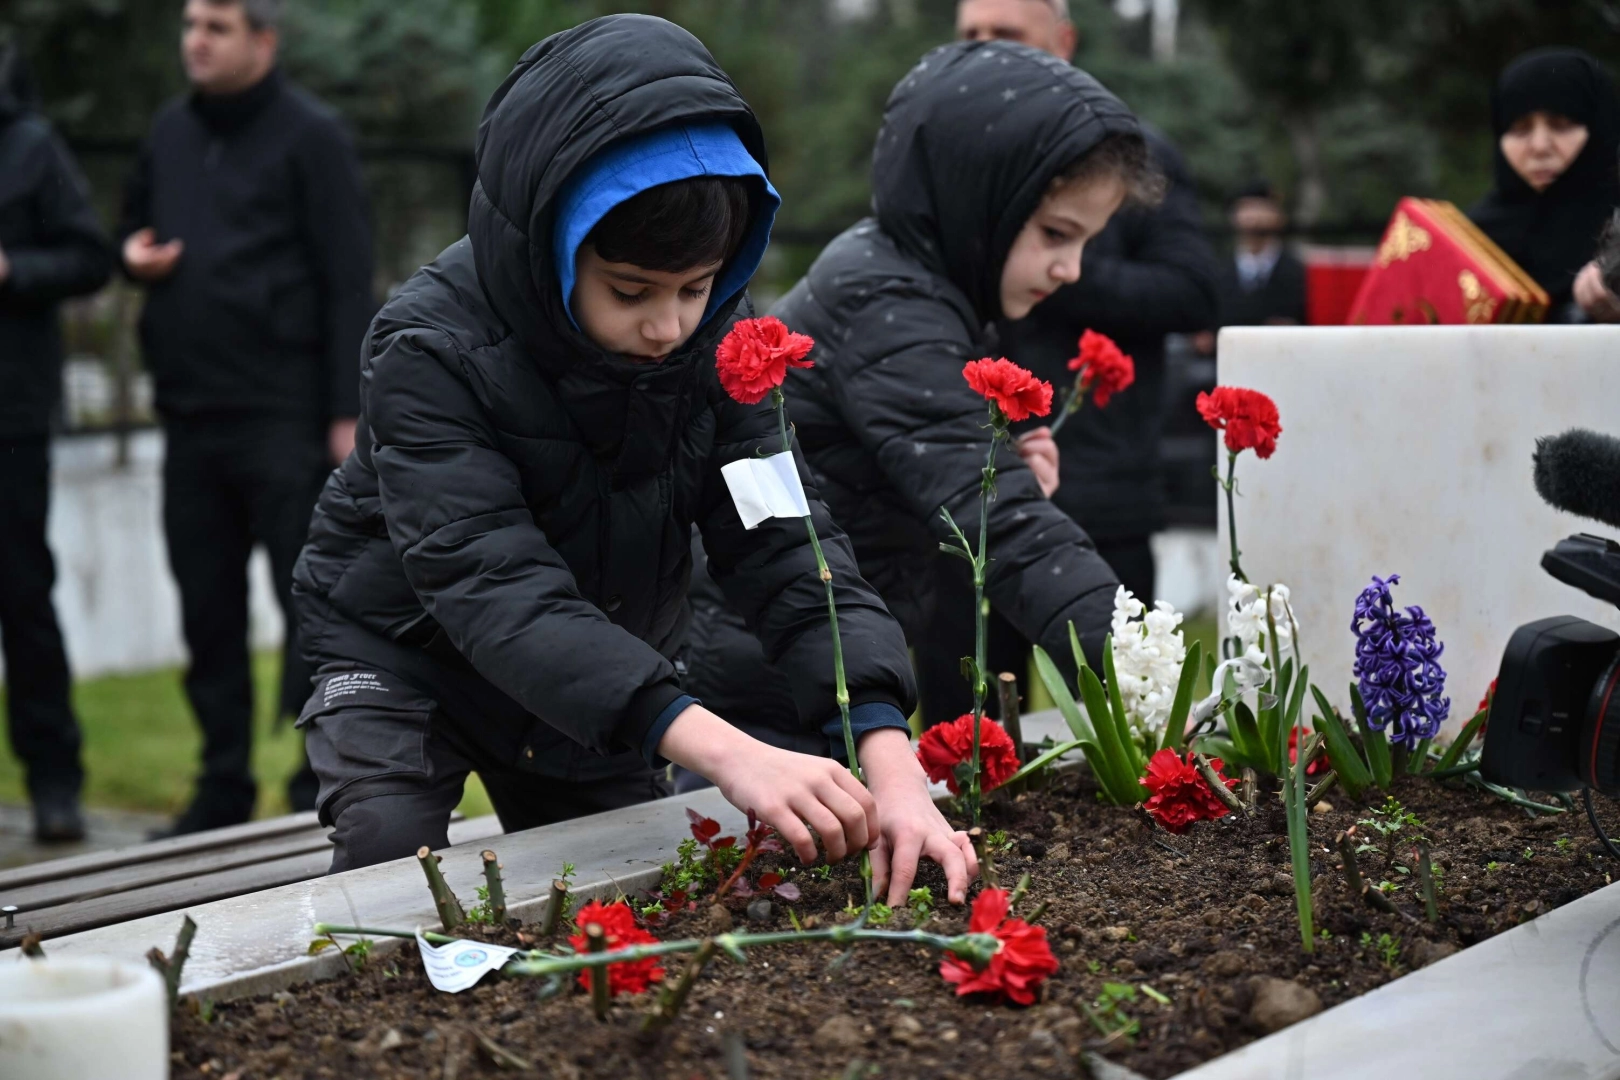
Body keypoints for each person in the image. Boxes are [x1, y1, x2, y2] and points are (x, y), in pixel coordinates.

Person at [290, 14, 975, 907]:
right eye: (630, 291)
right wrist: (727, 750)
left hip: (600, 673)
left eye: (697, 287)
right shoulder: (428, 351)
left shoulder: (721, 349)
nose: (670, 327)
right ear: (549, 243)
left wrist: (888, 752)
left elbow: (787, 547)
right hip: (405, 653)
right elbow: (490, 584)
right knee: (389, 873)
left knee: (618, 893)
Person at [681, 39, 1160, 765]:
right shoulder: (888, 302)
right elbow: (999, 519)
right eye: (1058, 234)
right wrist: (1143, 670)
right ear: (979, 202)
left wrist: (996, 458)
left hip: (810, 653)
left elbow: (915, 470)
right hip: (772, 678)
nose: (1072, 269)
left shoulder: (918, 287)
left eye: (1088, 241)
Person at [912, 0, 1219, 726]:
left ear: (1065, 41)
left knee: (1124, 725)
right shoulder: (944, 156)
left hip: (1099, 485)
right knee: (968, 741)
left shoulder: (1131, 154)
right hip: (966, 487)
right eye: (970, 36)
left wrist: (1049, 273)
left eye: (1006, 35)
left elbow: (1196, 288)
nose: (984, 51)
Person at [118, 0, 375, 834]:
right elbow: (130, 222)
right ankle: (220, 785)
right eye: (190, 23)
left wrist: (345, 413)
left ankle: (317, 785)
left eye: (216, 26)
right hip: (191, 414)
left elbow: (347, 278)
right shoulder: (169, 131)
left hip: (285, 415)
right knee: (206, 608)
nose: (195, 39)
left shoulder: (313, 137)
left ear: (262, 40)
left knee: (311, 602)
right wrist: (134, 253)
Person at [0, 43, 113, 842]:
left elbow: (88, 256)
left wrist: (12, 268)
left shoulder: (31, 147)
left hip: (8, 415)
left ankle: (55, 786)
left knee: (21, 597)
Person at [1470, 48, 1620, 323]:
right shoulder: (1470, 238)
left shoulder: (1616, 229)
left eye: (1561, 125)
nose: (1539, 147)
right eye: (1520, 129)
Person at [1212, 180, 1307, 330]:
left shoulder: (1299, 273)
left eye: (1263, 208)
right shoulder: (1217, 271)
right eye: (1247, 208)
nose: (1255, 216)